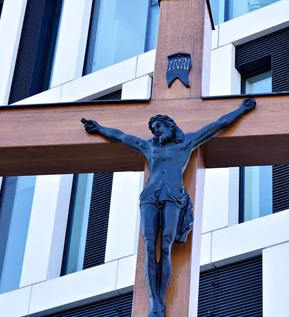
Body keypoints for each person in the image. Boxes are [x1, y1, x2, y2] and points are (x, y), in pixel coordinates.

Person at [81, 97, 256, 316]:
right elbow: (121, 137)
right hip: (150, 197)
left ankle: (161, 299)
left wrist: (241, 110)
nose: (156, 132)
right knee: (148, 246)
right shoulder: (149, 146)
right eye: (153, 129)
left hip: (173, 196)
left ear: (169, 126)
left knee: (165, 246)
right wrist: (98, 128)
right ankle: (154, 302)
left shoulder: (186, 143)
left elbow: (218, 125)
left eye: (158, 127)